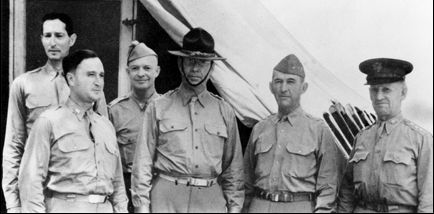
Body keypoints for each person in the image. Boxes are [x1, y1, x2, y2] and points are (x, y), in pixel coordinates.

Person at [2, 12, 107, 213]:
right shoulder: (24, 84)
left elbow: (102, 143)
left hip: (78, 195)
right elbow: (14, 145)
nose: (52, 42)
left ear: (71, 39)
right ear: (41, 39)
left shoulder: (89, 85)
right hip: (36, 192)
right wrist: (13, 204)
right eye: (47, 36)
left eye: (59, 36)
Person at [131, 28, 244, 213]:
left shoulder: (224, 111)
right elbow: (142, 163)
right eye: (190, 61)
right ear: (180, 62)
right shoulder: (159, 107)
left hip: (210, 201)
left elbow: (234, 171)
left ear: (211, 67)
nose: (195, 69)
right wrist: (142, 208)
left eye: (202, 62)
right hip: (166, 199)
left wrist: (234, 209)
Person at [18, 49, 128, 213]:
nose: (98, 82)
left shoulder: (106, 126)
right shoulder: (48, 122)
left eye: (101, 75)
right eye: (90, 75)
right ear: (71, 79)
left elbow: (118, 184)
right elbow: (30, 182)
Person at [243, 54, 344, 213]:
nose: (283, 88)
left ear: (304, 88)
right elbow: (246, 183)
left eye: (291, 82)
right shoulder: (259, 129)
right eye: (278, 81)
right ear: (271, 87)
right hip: (259, 206)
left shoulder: (319, 130)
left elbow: (328, 189)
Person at [338, 58, 432, 213]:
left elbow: (429, 201)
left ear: (403, 93)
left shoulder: (421, 140)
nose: (379, 96)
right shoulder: (361, 138)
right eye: (374, 90)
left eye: (386, 90)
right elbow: (347, 193)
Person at [108, 41, 160, 213]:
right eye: (135, 68)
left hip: (161, 188)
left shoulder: (168, 108)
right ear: (127, 72)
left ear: (157, 71)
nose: (141, 74)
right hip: (127, 190)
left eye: (147, 68)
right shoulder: (114, 111)